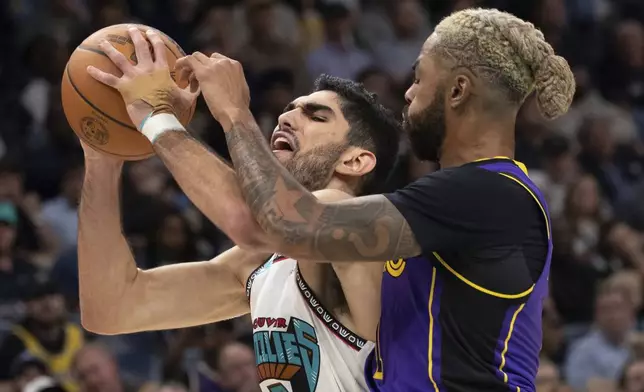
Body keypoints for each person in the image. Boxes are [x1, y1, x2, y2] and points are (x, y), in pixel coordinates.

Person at [120, 8, 574, 392]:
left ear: (457, 91)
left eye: (419, 78)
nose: (410, 92)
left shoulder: (488, 195)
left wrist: (227, 113)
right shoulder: (451, 202)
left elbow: (282, 225)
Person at [81, 28, 400, 392]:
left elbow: (259, 222)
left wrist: (168, 116)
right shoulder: (260, 264)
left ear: (356, 161)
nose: (286, 118)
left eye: (316, 115)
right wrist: (103, 154)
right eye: (288, 109)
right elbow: (111, 308)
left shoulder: (360, 223)